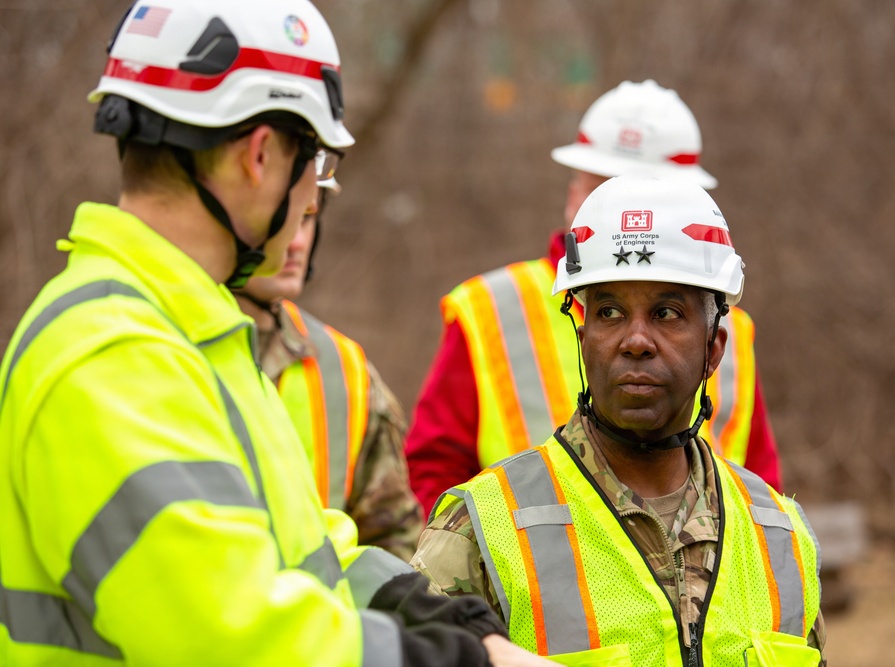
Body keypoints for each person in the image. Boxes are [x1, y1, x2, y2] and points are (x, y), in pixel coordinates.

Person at [0, 1, 556, 664]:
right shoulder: (110, 355)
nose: (311, 201)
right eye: (313, 163)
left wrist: (448, 620)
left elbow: (311, 555)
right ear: (261, 155)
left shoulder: (197, 338)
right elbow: (231, 636)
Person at [410, 175, 825, 666]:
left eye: (667, 313)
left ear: (714, 348)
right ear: (584, 338)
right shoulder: (480, 530)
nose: (635, 340)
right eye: (609, 311)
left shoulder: (782, 538)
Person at [405, 80, 782, 519]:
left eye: (652, 194)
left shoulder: (730, 327)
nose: (629, 214)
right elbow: (433, 473)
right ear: (574, 193)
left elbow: (759, 489)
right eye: (606, 188)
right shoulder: (490, 310)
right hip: (533, 577)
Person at [234, 178, 423, 561]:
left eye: (307, 219)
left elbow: (395, 545)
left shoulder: (344, 370)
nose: (297, 242)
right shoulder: (158, 346)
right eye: (279, 218)